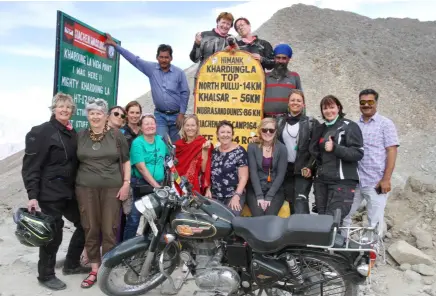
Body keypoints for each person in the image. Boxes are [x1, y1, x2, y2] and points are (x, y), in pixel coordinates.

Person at [21, 92, 88, 290]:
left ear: (72, 111)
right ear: (54, 108)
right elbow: (31, 166)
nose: (65, 110)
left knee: (86, 224)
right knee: (53, 232)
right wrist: (32, 195)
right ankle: (46, 275)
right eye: (61, 106)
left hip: (69, 192)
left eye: (68, 107)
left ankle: (71, 264)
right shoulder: (42, 132)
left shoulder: (72, 133)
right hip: (49, 192)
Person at [75, 98, 131, 289]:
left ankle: (106, 269)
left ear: (106, 116)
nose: (95, 116)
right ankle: (94, 269)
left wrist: (126, 184)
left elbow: (126, 162)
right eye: (91, 113)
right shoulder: (80, 136)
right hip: (85, 187)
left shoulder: (116, 136)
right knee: (90, 227)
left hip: (112, 188)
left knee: (110, 228)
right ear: (87, 115)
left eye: (99, 113)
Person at [105, 35, 190, 144]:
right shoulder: (151, 69)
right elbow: (134, 60)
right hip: (160, 116)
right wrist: (115, 46)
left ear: (171, 58)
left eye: (166, 57)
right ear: (157, 57)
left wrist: (182, 113)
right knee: (161, 142)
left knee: (177, 144)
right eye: (161, 57)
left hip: (176, 115)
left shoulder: (179, 73)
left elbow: (185, 93)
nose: (164, 60)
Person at [343, 89, 399, 236]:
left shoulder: (385, 124)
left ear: (376, 103)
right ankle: (342, 246)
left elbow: (392, 151)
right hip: (355, 181)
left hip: (376, 182)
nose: (366, 105)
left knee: (374, 221)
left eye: (370, 102)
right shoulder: (355, 126)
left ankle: (371, 254)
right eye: (363, 102)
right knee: (345, 214)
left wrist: (386, 179)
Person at [309, 95, 364, 224]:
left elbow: (358, 153)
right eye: (325, 108)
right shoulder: (320, 129)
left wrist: (335, 148)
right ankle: (324, 244)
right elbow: (316, 154)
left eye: (332, 107)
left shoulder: (349, 126)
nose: (329, 111)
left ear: (338, 108)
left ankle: (336, 243)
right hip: (321, 181)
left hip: (342, 182)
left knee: (333, 221)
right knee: (322, 221)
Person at [123, 114, 168, 240]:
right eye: (146, 124)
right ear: (141, 128)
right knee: (134, 219)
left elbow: (169, 159)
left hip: (158, 185)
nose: (150, 126)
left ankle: (148, 248)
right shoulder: (138, 143)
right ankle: (126, 250)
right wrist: (156, 186)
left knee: (154, 220)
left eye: (152, 123)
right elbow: (141, 168)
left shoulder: (160, 140)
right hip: (141, 185)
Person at [277, 90, 319, 214]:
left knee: (300, 201)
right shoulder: (279, 121)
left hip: (303, 170)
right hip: (285, 169)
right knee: (288, 202)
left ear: (303, 104)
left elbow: (316, 148)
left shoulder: (311, 123)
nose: (295, 103)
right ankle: (290, 231)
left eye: (299, 100)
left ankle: (303, 231)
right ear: (288, 103)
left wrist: (310, 166)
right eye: (293, 100)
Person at [246, 118, 288, 216]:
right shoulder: (252, 147)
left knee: (270, 214)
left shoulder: (282, 148)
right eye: (264, 130)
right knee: (258, 214)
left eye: (271, 130)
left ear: (275, 132)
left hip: (275, 189)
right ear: (260, 130)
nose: (268, 133)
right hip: (255, 188)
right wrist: (259, 196)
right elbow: (253, 172)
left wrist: (269, 196)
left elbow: (280, 175)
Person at [207, 120, 249, 215]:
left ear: (232, 135)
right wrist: (208, 189)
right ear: (217, 135)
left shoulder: (240, 151)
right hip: (215, 195)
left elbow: (243, 177)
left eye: (228, 132)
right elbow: (209, 173)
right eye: (222, 132)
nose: (225, 135)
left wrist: (237, 196)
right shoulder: (214, 152)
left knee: (231, 219)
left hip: (233, 194)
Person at [190, 12, 235, 87]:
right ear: (217, 22)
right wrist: (197, 44)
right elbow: (194, 59)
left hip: (224, 82)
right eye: (223, 22)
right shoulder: (204, 35)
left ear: (230, 26)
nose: (225, 26)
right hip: (204, 79)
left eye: (228, 24)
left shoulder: (232, 40)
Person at [175, 115, 213, 196]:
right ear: (183, 127)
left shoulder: (203, 143)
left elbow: (203, 169)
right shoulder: (178, 145)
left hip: (194, 184)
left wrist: (205, 151)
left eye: (193, 125)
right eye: (187, 125)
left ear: (197, 127)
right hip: (177, 182)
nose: (190, 128)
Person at [263, 44, 303, 118]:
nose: (280, 61)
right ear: (274, 58)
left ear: (288, 59)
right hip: (267, 122)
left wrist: (302, 121)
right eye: (278, 58)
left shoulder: (294, 76)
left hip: (287, 121)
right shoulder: (265, 77)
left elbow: (301, 100)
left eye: (284, 58)